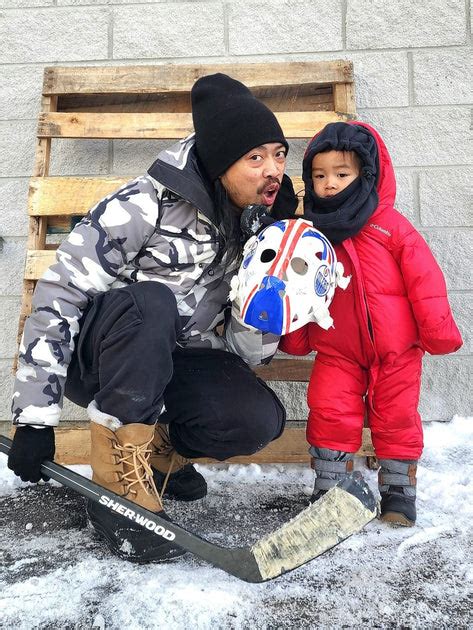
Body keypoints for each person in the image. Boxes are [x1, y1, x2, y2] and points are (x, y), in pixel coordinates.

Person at [7, 73, 298, 561]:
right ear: (221, 160)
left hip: (176, 361)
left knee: (256, 420)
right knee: (153, 301)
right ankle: (117, 482)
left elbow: (248, 353)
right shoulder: (140, 207)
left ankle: (158, 452)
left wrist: (269, 266)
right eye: (255, 157)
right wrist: (35, 420)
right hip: (104, 361)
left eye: (279, 154)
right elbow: (59, 296)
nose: (273, 170)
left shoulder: (256, 223)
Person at [278, 121, 462, 526]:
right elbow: (299, 287)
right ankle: (330, 489)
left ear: (367, 175)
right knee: (328, 411)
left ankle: (398, 490)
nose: (329, 184)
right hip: (337, 349)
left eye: (341, 174)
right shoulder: (312, 235)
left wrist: (438, 332)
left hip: (397, 352)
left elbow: (425, 282)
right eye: (320, 175)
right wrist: (294, 338)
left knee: (396, 417)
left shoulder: (392, 227)